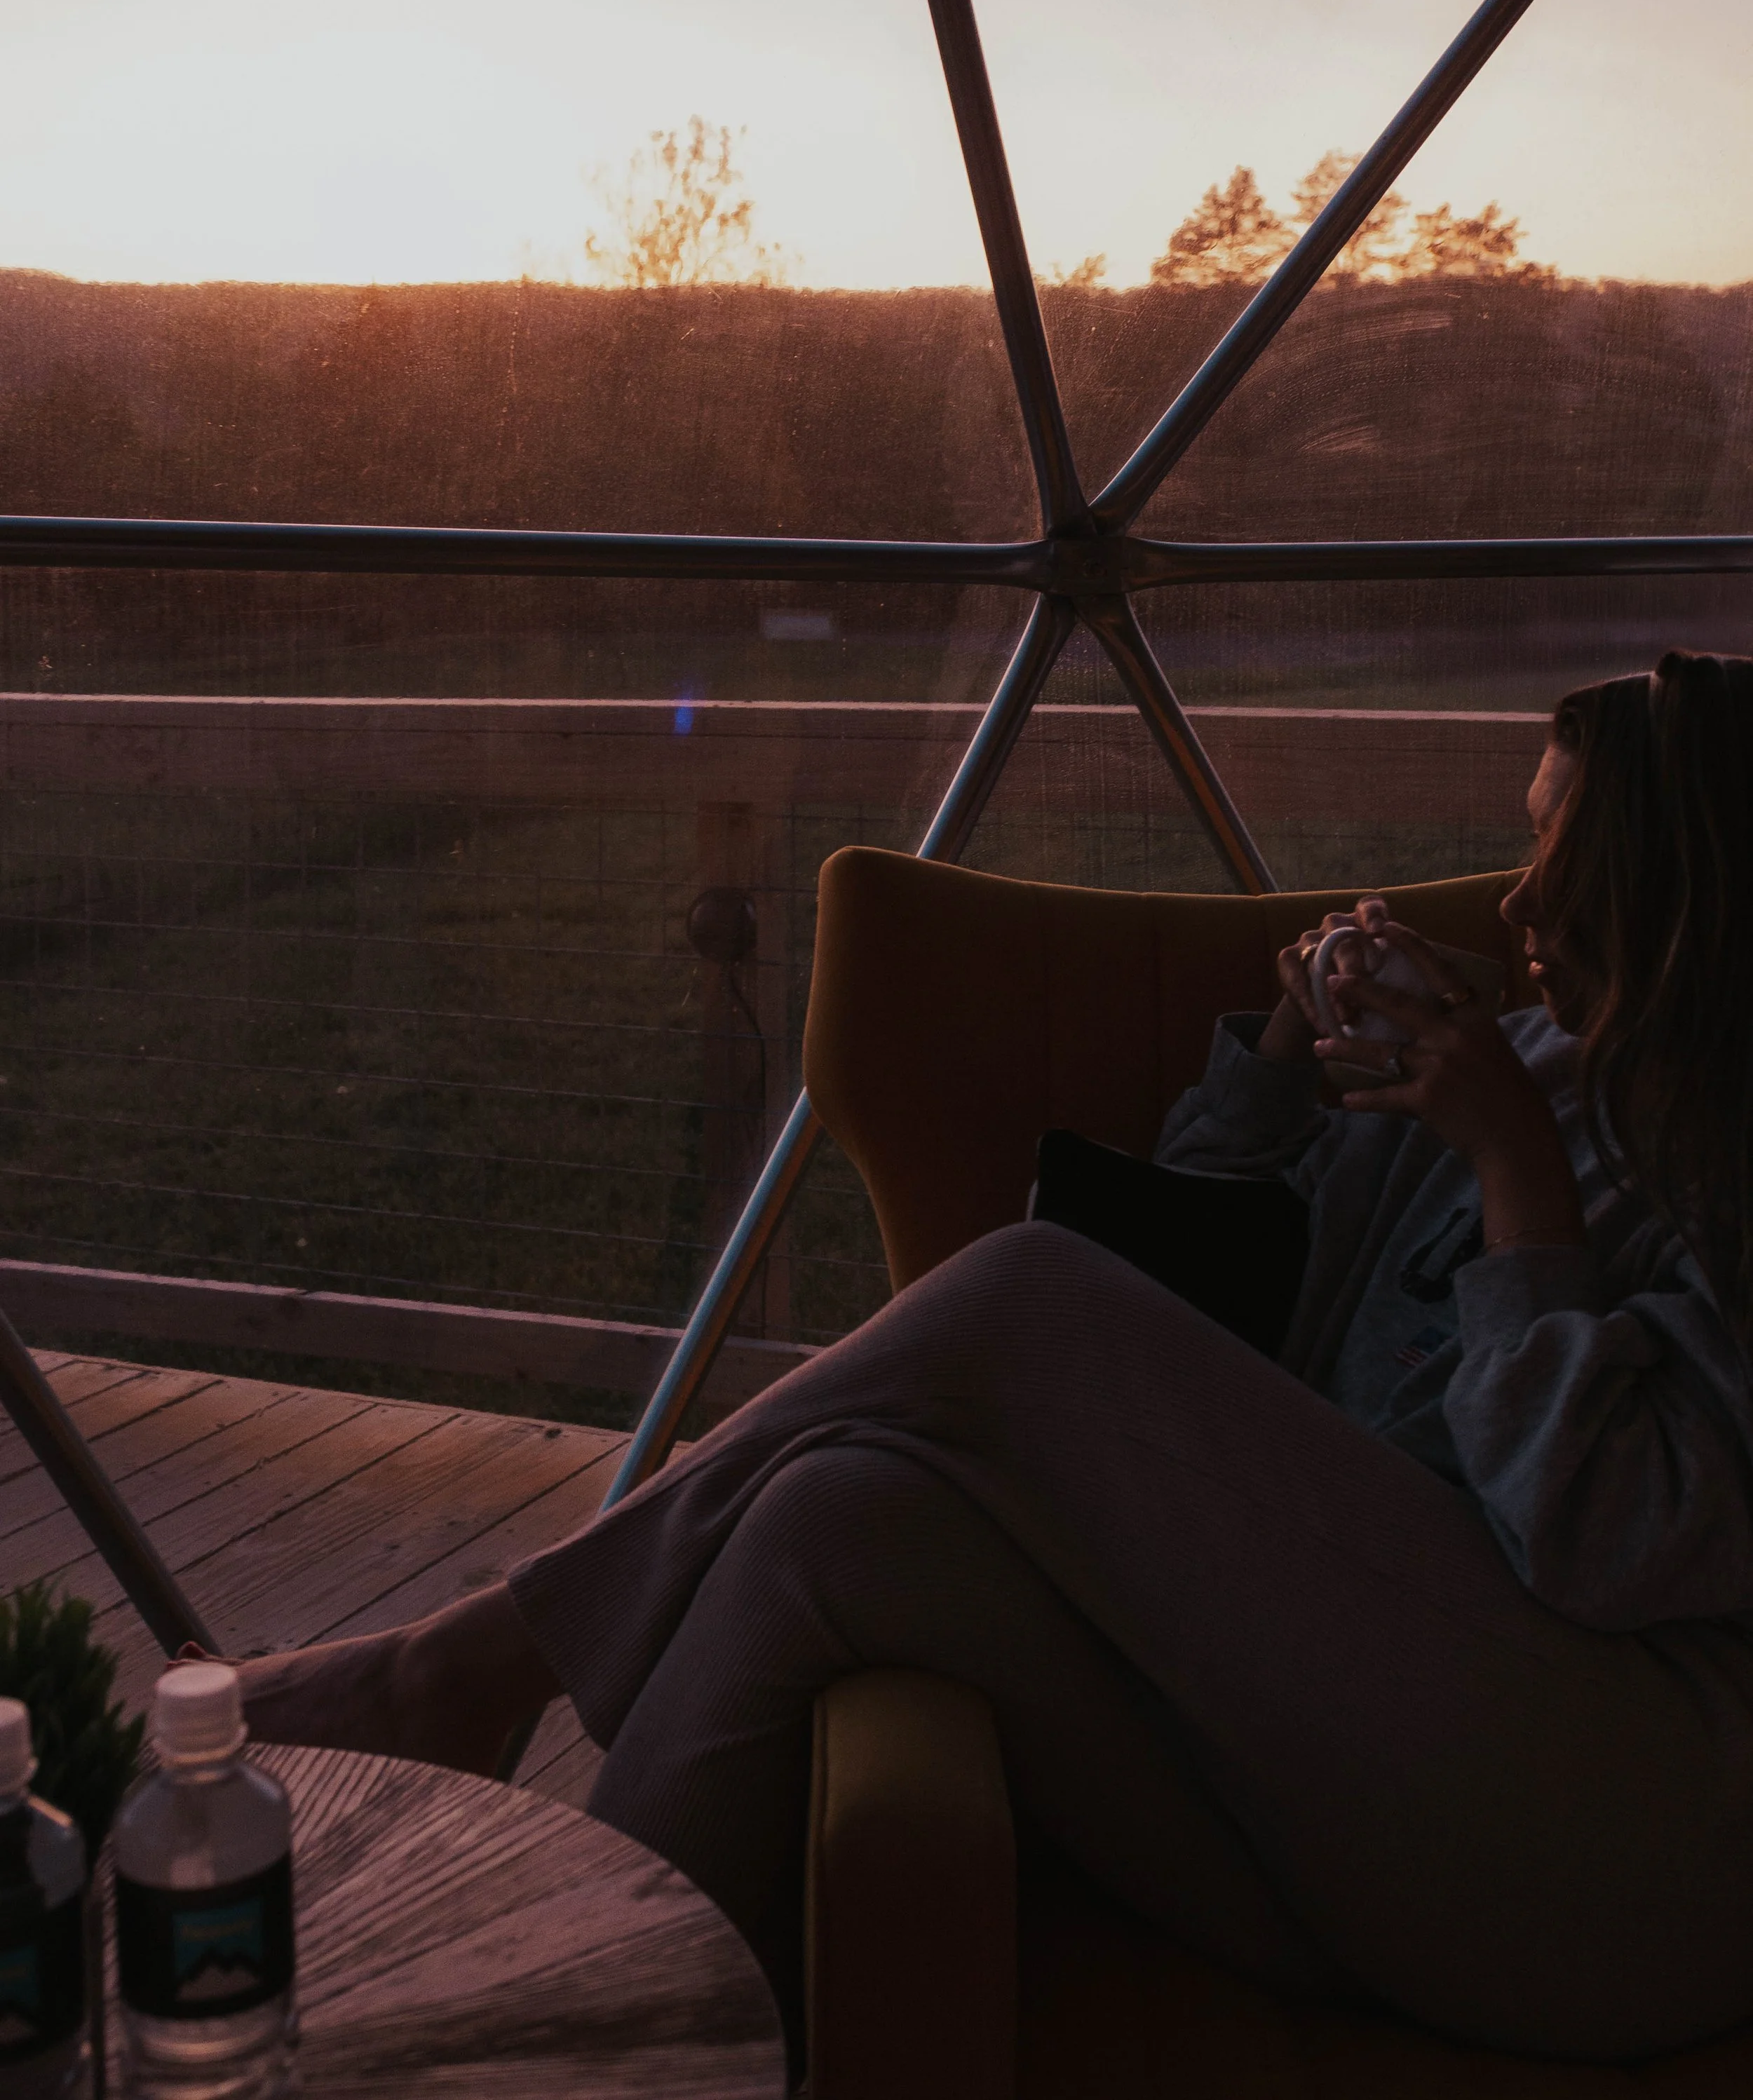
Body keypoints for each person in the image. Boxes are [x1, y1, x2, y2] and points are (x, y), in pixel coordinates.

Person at [226, 649, 1753, 2077]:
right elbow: (1185, 1311)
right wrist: (1288, 1066)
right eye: (1527, 842)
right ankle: (565, 2043)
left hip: (1620, 1850)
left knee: (1019, 1290)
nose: (1518, 902)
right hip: (1375, 1773)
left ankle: (454, 1674)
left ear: (1677, 889)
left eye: (1565, 856)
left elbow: (1608, 1541)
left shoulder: (1692, 1151)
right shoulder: (1525, 1062)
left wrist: (1516, 1183)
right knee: (844, 1515)